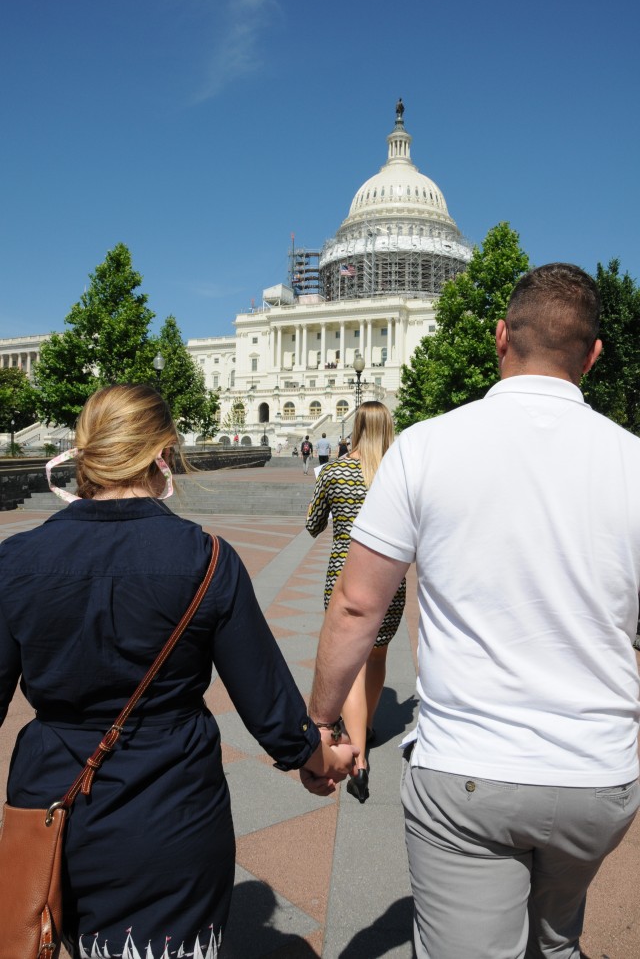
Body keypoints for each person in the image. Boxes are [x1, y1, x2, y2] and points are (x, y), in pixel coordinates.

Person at [306, 264, 640, 958]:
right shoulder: (632, 459)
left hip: (469, 767)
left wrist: (320, 719)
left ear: (499, 337)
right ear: (594, 354)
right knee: (556, 941)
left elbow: (358, 603)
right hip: (599, 772)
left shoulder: (426, 444)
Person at [0, 384, 356, 959]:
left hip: (51, 807)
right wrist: (318, 758)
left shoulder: (15, 559)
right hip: (171, 805)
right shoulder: (205, 557)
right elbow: (267, 704)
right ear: (164, 452)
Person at [306, 401, 406, 803]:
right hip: (390, 583)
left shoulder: (334, 471)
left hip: (344, 581)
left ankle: (358, 756)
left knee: (349, 664)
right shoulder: (398, 475)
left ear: (356, 427)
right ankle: (364, 728)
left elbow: (312, 525)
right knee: (376, 658)